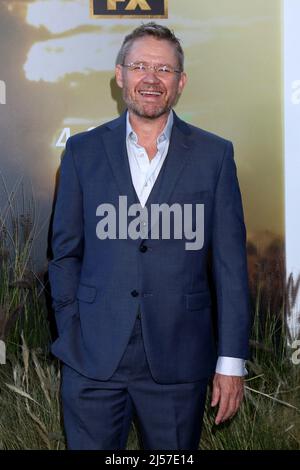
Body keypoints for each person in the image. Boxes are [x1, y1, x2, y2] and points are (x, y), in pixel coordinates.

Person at [48, 22, 251, 450]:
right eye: (140, 66)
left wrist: (231, 362)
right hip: (93, 361)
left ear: (180, 82)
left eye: (164, 69)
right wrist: (72, 330)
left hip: (180, 361)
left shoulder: (215, 156)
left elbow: (230, 268)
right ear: (120, 74)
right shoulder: (82, 152)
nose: (151, 79)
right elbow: (65, 253)